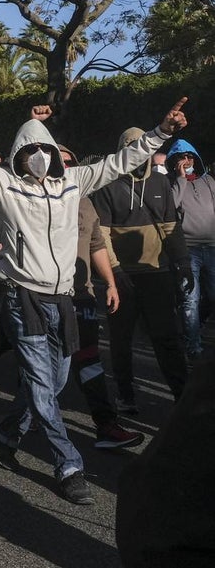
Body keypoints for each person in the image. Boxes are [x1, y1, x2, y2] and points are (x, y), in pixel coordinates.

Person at [0, 101, 187, 505]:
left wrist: (161, 131)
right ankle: (68, 464)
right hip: (24, 298)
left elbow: (121, 161)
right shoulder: (2, 185)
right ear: (18, 155)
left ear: (55, 154)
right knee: (41, 385)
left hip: (65, 298)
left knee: (53, 383)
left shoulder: (74, 183)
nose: (39, 157)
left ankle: (5, 433)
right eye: (30, 151)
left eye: (46, 150)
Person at [92, 126, 192, 411]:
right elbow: (102, 235)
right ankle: (125, 394)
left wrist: (183, 263)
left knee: (167, 338)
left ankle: (181, 394)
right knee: (121, 341)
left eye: (144, 151)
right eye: (133, 151)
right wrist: (115, 272)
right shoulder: (108, 186)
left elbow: (172, 228)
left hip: (158, 273)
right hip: (123, 277)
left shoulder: (161, 184)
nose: (140, 157)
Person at [57, 145, 143, 449]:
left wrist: (110, 282)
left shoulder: (86, 203)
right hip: (47, 297)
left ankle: (105, 425)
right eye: (59, 162)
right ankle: (18, 423)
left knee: (90, 360)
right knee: (49, 370)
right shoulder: (36, 200)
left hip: (82, 296)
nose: (65, 166)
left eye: (70, 162)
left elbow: (96, 245)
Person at [165, 138, 215, 360]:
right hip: (187, 251)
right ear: (174, 162)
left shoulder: (209, 182)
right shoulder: (169, 183)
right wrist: (180, 179)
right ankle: (193, 346)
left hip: (213, 247)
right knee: (189, 299)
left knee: (212, 297)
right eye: (182, 158)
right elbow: (171, 206)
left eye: (190, 157)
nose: (187, 161)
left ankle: (195, 326)